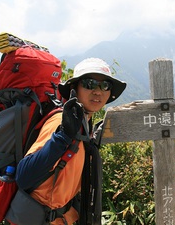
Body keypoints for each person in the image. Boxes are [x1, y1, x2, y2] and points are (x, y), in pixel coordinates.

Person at [7, 58, 126, 225]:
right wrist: (62, 136)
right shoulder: (60, 122)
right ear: (74, 89)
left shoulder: (83, 124)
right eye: (89, 83)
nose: (98, 91)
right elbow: (24, 177)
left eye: (105, 85)